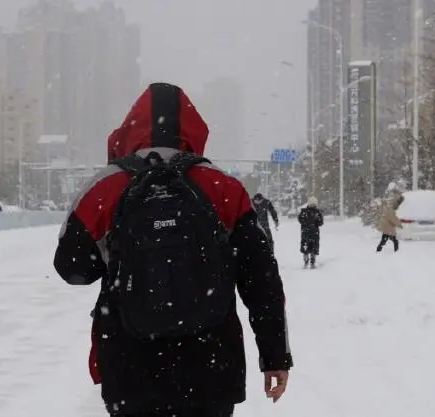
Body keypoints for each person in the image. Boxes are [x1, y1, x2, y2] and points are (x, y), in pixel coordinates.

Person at [54, 82, 292, 417]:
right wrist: (275, 356)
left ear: (131, 127)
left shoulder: (105, 186)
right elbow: (262, 281)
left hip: (130, 368)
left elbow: (71, 268)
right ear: (194, 130)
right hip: (212, 369)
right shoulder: (224, 188)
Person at [298, 197, 324, 268]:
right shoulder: (317, 212)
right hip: (314, 233)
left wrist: (306, 222)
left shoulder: (304, 212)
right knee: (313, 247)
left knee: (306, 246)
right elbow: (320, 223)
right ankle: (312, 261)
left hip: (305, 232)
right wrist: (316, 219)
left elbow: (300, 220)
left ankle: (306, 260)